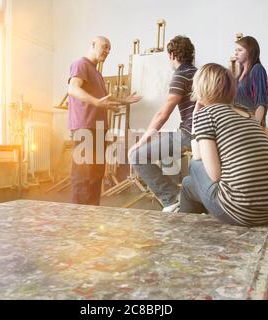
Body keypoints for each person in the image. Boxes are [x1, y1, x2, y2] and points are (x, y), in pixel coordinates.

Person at [180, 63, 268, 227]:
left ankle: (185, 233)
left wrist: (195, 117)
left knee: (193, 166)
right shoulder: (247, 114)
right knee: (188, 184)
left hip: (242, 210)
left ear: (200, 88)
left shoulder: (206, 115)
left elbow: (213, 173)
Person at [67, 36, 141, 205]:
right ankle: (77, 219)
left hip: (98, 130)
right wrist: (96, 102)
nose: (107, 51)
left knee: (95, 176)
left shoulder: (96, 72)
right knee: (83, 177)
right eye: (104, 47)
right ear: (92, 44)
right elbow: (72, 88)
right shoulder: (81, 64)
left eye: (109, 48)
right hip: (85, 128)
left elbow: (105, 98)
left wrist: (125, 100)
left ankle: (92, 216)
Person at [128, 35, 198, 213]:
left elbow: (163, 114)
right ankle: (176, 196)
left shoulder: (181, 74)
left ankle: (172, 198)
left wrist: (142, 140)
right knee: (166, 150)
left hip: (190, 134)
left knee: (136, 155)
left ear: (172, 55)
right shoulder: (198, 73)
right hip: (201, 134)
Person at [234, 36, 268, 127]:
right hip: (239, 125)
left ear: (250, 51)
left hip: (251, 126)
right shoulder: (239, 76)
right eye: (236, 50)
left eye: (240, 50)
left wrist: (255, 127)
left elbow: (261, 103)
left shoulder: (257, 69)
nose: (236, 53)